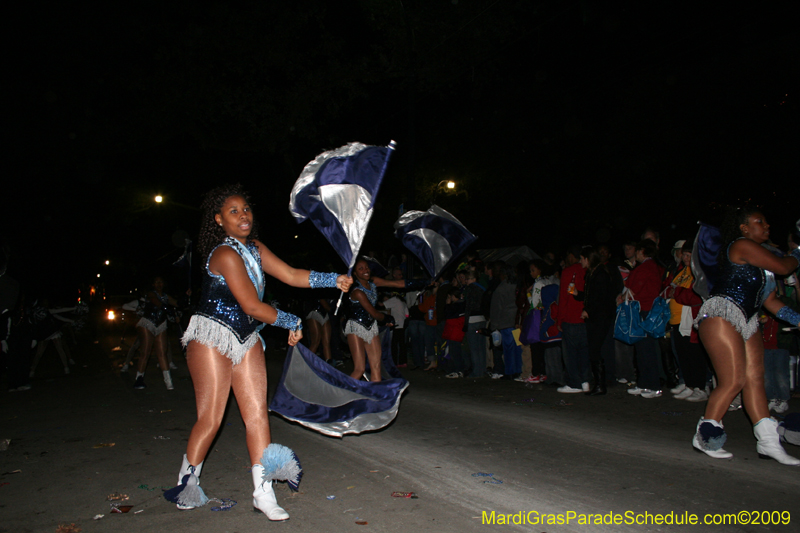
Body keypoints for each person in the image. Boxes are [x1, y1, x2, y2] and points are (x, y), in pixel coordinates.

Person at [166, 184, 353, 519]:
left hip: (247, 337)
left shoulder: (255, 248)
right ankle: (187, 482)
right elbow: (251, 305)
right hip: (212, 335)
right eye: (234, 211)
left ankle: (263, 493)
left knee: (257, 416)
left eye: (246, 209)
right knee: (211, 418)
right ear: (219, 219)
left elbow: (292, 275)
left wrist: (333, 279)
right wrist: (292, 320)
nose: (243, 216)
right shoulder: (223, 254)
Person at [692, 208, 800, 466]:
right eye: (759, 221)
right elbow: (785, 266)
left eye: (765, 221)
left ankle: (769, 443)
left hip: (747, 320)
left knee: (754, 379)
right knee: (734, 379)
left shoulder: (764, 267)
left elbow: (771, 301)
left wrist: (798, 319)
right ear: (743, 228)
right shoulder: (741, 245)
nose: (766, 225)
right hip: (721, 314)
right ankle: (705, 436)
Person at [346, 257, 407, 382]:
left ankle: (376, 398)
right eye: (361, 268)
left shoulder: (373, 283)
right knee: (359, 369)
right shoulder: (357, 292)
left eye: (367, 267)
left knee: (376, 367)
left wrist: (425, 282)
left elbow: (398, 283)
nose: (365, 270)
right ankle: (342, 395)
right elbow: (374, 313)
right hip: (356, 327)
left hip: (371, 327)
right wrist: (388, 318)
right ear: (355, 273)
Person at [576, 246, 619, 396]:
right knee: (594, 349)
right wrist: (578, 294)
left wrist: (589, 310)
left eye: (582, 258)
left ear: (587, 259)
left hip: (601, 317)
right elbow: (590, 296)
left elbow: (601, 298)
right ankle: (600, 383)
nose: (580, 261)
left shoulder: (600, 274)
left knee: (595, 349)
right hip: (595, 317)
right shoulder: (591, 273)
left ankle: (601, 384)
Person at [625, 239, 664, 398]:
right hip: (645, 310)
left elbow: (633, 287)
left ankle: (653, 386)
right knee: (642, 350)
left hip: (644, 311)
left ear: (642, 251)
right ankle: (643, 383)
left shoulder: (646, 267)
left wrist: (623, 295)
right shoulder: (651, 266)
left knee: (646, 350)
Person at [131, 277, 178, 390]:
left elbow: (177, 303)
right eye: (156, 282)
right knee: (145, 352)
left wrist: (187, 297)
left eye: (161, 281)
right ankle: (139, 378)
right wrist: (169, 310)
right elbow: (158, 303)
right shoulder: (151, 294)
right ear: (153, 284)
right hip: (148, 323)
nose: (159, 284)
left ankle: (168, 382)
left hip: (161, 324)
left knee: (162, 353)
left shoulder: (166, 296)